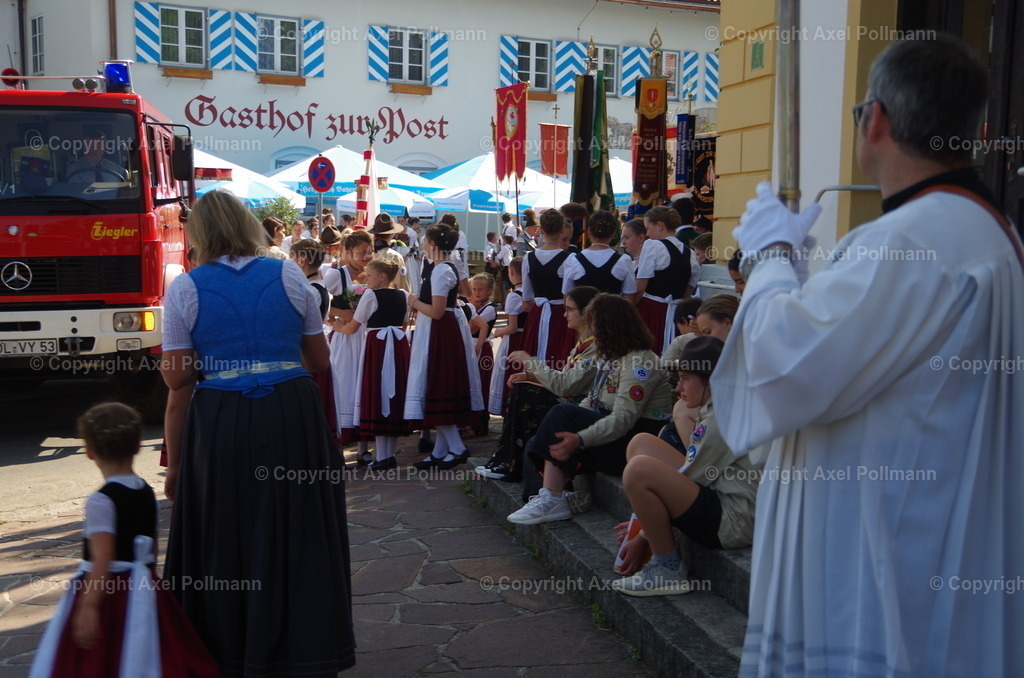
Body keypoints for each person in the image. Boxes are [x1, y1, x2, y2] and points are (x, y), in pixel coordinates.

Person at [713, 37, 1024, 677]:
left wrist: (771, 260)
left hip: (882, 554)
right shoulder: (992, 232)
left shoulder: (907, 241)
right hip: (943, 531)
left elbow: (783, 366)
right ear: (977, 130)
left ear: (874, 119)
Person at [160, 190, 355, 676]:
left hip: (222, 420)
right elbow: (318, 361)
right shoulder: (289, 274)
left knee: (227, 534)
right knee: (299, 531)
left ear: (198, 232)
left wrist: (177, 462)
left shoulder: (185, 288)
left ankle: (231, 651)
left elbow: (177, 380)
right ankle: (305, 651)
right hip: (292, 416)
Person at [30, 402, 219, 678]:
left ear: (90, 452)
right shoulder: (145, 491)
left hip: (109, 594)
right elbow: (151, 546)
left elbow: (102, 557)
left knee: (107, 653)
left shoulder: (101, 501)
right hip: (144, 586)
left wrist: (90, 606)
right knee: (146, 648)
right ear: (138, 446)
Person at [611, 336, 761, 596]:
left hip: (733, 521)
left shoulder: (723, 417)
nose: (678, 387)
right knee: (641, 443)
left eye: (685, 378)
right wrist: (644, 520)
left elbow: (692, 478)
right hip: (721, 496)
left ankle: (667, 569)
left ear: (712, 379)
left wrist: (644, 533)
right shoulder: (722, 402)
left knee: (639, 471)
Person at [507, 294, 673, 524]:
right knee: (539, 440)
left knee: (561, 415)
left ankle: (553, 498)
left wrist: (580, 438)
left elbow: (623, 419)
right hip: (617, 434)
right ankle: (548, 497)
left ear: (609, 328)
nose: (592, 334)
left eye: (595, 327)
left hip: (635, 443)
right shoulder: (613, 358)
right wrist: (575, 430)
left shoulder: (639, 363)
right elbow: (593, 401)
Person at [478, 285, 601, 482]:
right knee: (522, 388)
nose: (565, 315)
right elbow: (566, 376)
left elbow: (566, 385)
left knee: (526, 395)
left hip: (582, 409)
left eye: (570, 309)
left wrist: (530, 361)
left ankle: (512, 465)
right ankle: (507, 461)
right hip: (573, 402)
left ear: (587, 313)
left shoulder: (596, 346)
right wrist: (530, 376)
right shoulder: (584, 342)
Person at [405, 222, 484, 469]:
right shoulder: (440, 267)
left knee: (439, 385)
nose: (422, 245)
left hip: (440, 331)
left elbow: (438, 311)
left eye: (425, 241)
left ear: (433, 244)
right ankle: (440, 450)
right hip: (439, 329)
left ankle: (457, 448)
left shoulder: (441, 270)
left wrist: (414, 301)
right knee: (436, 386)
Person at [338, 257, 411, 471]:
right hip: (397, 345)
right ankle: (387, 455)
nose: (366, 279)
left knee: (377, 391)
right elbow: (404, 324)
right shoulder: (403, 295)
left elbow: (353, 327)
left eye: (369, 275)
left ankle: (383, 456)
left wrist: (337, 327)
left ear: (382, 277)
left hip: (378, 347)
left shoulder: (370, 295)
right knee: (393, 391)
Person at [328, 229, 374, 462]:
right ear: (348, 251)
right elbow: (320, 303)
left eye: (370, 251)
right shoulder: (337, 275)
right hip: (346, 339)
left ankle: (363, 448)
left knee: (363, 387)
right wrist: (339, 315)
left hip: (367, 336)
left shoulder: (374, 274)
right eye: (362, 252)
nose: (367, 256)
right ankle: (339, 447)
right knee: (344, 387)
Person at [633, 206, 701, 354]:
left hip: (652, 311)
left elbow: (640, 287)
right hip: (676, 315)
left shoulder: (653, 246)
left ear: (659, 225)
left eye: (648, 228)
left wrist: (629, 309)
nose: (647, 234)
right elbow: (687, 292)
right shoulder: (689, 253)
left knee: (647, 354)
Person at [520, 209, 576, 366]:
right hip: (560, 316)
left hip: (537, 314)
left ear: (541, 230)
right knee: (558, 357)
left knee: (533, 357)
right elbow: (568, 294)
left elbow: (526, 300)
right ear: (561, 230)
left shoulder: (528, 258)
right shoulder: (570, 258)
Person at [561, 210, 637, 295]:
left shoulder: (573, 261)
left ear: (589, 231)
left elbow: (567, 296)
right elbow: (629, 298)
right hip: (613, 308)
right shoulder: (624, 261)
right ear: (613, 233)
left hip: (583, 308)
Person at [487, 256, 527, 415]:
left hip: (515, 341)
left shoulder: (514, 296)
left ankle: (508, 408)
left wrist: (498, 332)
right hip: (528, 340)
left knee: (509, 374)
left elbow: (512, 327)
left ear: (511, 272)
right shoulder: (532, 295)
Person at [468, 272, 497, 435]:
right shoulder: (475, 307)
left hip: (482, 348)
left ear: (489, 291)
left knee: (482, 384)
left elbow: (473, 327)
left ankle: (481, 422)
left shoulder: (490, 309)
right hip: (471, 348)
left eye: (480, 289)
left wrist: (471, 310)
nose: (477, 292)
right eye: (474, 289)